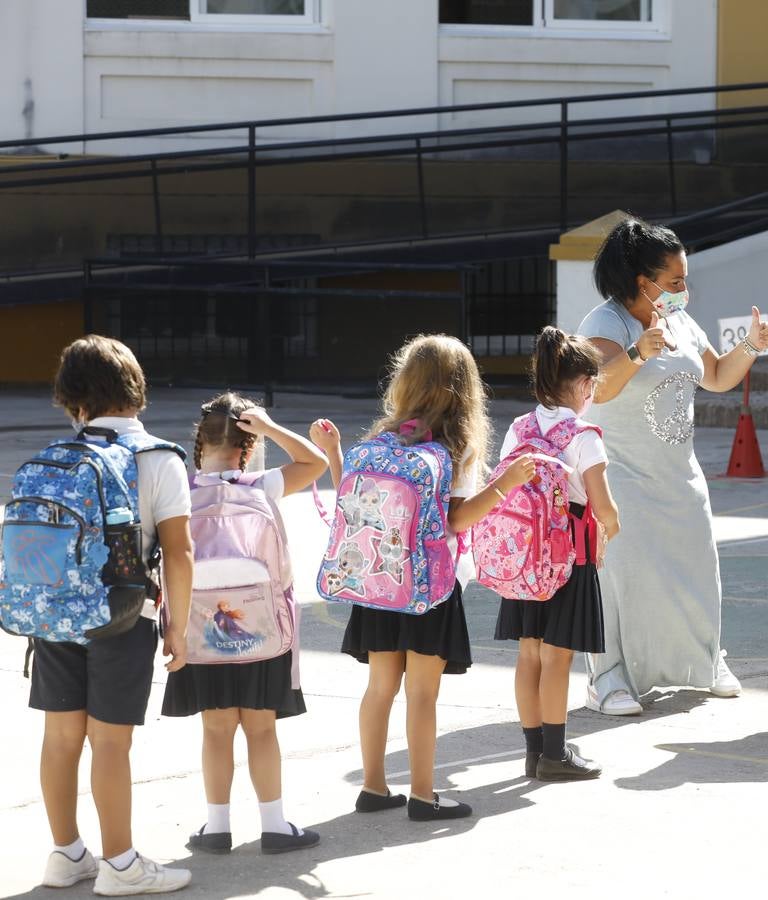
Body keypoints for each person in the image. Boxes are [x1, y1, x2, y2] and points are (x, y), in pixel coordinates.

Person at [317, 334, 535, 821]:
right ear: (465, 389)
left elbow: (355, 505)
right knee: (422, 693)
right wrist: (506, 484)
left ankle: (373, 786)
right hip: (430, 588)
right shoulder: (454, 447)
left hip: (377, 580)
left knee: (379, 688)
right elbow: (457, 520)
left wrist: (334, 453)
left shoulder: (380, 441)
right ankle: (422, 794)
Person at [576, 216, 768, 716]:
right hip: (620, 475)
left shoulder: (682, 321)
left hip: (680, 477)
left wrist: (752, 344)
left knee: (697, 572)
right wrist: (637, 352)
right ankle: (608, 678)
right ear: (642, 282)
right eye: (675, 281)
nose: (685, 289)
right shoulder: (604, 324)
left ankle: (707, 662)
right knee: (621, 582)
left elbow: (714, 375)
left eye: (684, 279)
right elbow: (598, 385)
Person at [30, 336, 193, 894]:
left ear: (72, 399)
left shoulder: (58, 457)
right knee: (111, 743)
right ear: (135, 390)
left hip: (55, 614)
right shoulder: (158, 458)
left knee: (60, 738)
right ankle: (120, 865)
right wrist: (178, 626)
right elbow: (179, 551)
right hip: (124, 618)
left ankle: (66, 854)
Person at [162, 394, 328, 855]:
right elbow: (313, 462)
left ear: (200, 440)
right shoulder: (262, 484)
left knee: (215, 731)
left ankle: (217, 829)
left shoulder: (180, 489)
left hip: (200, 629)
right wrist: (271, 426)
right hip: (262, 628)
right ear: (248, 443)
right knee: (261, 729)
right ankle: (275, 826)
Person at [492, 327, 621, 780]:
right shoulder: (584, 436)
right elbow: (602, 507)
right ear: (585, 385)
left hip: (525, 558)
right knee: (557, 656)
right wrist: (613, 527)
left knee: (530, 652)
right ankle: (555, 753)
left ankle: (533, 752)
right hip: (569, 557)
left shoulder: (518, 428)